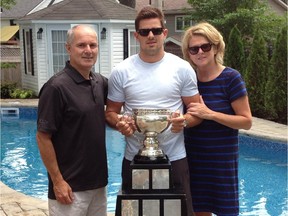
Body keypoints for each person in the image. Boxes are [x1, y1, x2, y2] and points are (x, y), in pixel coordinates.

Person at [105, 6, 202, 216]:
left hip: (175, 158)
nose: (151, 35)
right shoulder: (121, 71)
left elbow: (196, 112)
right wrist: (120, 122)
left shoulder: (182, 68)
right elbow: (110, 112)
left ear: (164, 34)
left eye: (156, 31)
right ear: (136, 36)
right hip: (134, 159)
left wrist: (183, 121)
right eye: (144, 31)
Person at [36, 24, 108, 216]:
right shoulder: (56, 87)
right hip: (69, 189)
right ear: (68, 48)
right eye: (81, 45)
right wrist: (58, 181)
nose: (88, 51)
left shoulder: (99, 82)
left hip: (98, 185)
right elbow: (43, 138)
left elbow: (112, 112)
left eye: (93, 45)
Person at [181, 22, 252, 216]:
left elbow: (246, 121)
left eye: (206, 46)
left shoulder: (231, 78)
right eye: (194, 49)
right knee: (198, 211)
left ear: (216, 47)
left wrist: (209, 114)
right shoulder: (188, 81)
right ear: (188, 53)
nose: (200, 52)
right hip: (194, 159)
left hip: (221, 162)